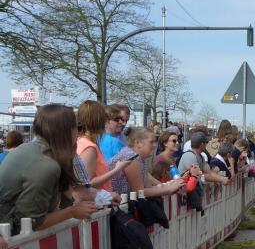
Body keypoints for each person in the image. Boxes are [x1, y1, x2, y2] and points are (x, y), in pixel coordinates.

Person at [0, 104, 100, 235]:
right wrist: (73, 211)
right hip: (11, 239)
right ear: (66, 130)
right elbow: (32, 222)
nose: (79, 132)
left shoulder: (28, 149)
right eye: (77, 126)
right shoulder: (46, 165)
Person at [110, 127, 186, 198]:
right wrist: (169, 189)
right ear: (138, 143)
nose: (154, 145)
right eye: (151, 142)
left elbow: (148, 181)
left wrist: (168, 186)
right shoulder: (131, 157)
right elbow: (139, 192)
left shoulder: (139, 157)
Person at [76, 100, 132, 192]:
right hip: (99, 199)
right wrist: (116, 170)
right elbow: (87, 184)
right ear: (99, 120)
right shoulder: (89, 147)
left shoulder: (82, 141)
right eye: (106, 118)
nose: (107, 122)